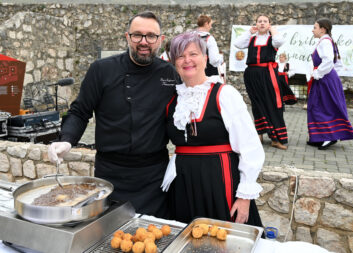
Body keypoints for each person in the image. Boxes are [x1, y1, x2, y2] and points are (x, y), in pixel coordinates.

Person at [48, 11, 180, 218]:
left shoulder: (170, 74)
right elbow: (80, 111)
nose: (144, 42)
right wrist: (67, 140)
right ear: (127, 37)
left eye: (151, 36)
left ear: (160, 40)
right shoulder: (101, 70)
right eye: (137, 35)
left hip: (153, 175)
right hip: (110, 174)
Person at [161, 31, 265, 228]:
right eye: (180, 56)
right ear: (174, 62)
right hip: (183, 185)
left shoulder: (224, 94)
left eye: (193, 54)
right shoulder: (174, 100)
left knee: (224, 240)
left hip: (219, 182)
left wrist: (244, 197)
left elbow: (250, 147)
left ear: (205, 58)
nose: (187, 60)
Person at [234, 14, 288, 150]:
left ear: (269, 24)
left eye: (265, 21)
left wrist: (273, 30)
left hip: (268, 74)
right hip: (252, 74)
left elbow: (279, 42)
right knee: (256, 104)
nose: (262, 23)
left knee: (271, 103)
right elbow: (237, 44)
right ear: (256, 24)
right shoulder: (251, 39)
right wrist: (249, 32)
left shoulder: (272, 39)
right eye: (259, 21)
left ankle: (276, 137)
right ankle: (259, 133)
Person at [307, 18, 353, 150]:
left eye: (315, 27)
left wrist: (318, 74)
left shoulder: (325, 42)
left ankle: (330, 137)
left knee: (326, 107)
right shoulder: (324, 41)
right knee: (317, 106)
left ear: (322, 29)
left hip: (324, 79)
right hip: (325, 78)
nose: (313, 30)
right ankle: (319, 136)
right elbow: (337, 63)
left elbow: (329, 61)